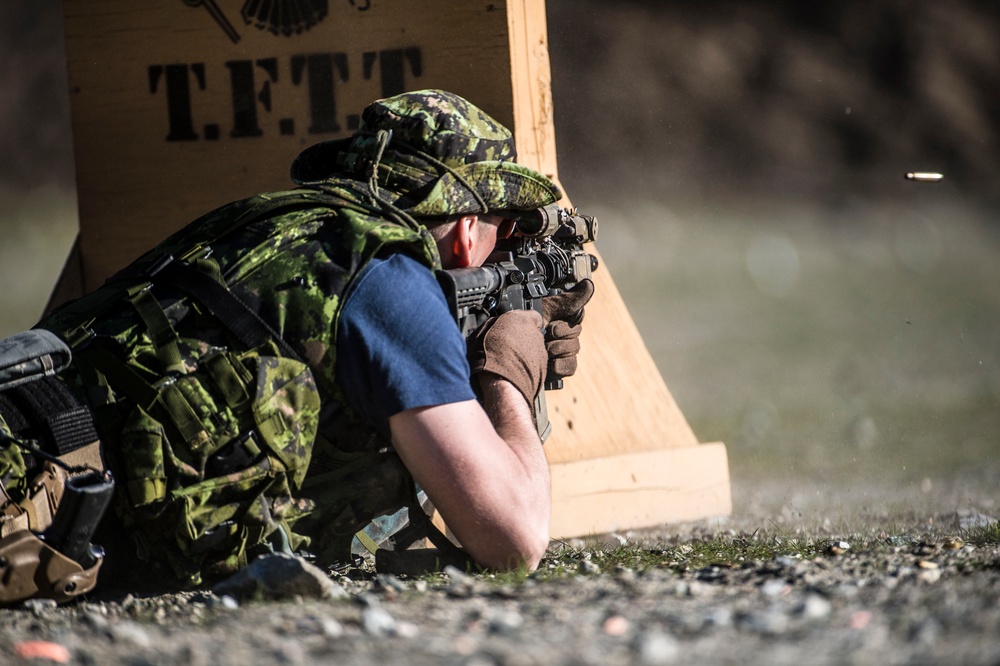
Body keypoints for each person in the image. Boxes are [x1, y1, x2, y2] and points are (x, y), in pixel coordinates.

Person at [0, 89, 593, 598]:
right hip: (26, 506)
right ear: (466, 233)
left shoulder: (256, 226)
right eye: (506, 228)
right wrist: (509, 367)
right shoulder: (390, 278)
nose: (506, 240)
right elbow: (513, 537)